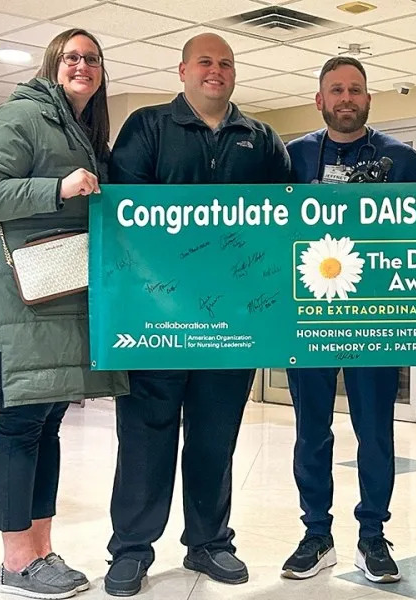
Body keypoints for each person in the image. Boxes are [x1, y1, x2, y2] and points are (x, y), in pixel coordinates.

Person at [102, 33, 290, 597]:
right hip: (156, 320)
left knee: (215, 436)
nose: (216, 71)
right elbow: (125, 217)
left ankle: (210, 543)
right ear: (183, 70)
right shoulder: (147, 126)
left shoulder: (261, 139)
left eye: (226, 63)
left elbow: (282, 221)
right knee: (145, 436)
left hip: (233, 323)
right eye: (205, 62)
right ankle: (131, 550)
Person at [0, 28, 128, 599]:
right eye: (72, 57)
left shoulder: (80, 129)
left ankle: (41, 550)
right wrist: (56, 188)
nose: (82, 65)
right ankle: (13, 562)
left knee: (47, 426)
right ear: (54, 64)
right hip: (19, 302)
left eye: (92, 59)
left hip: (58, 300)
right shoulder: (18, 117)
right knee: (21, 427)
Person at [279, 56, 416, 584]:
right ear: (320, 100)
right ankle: (315, 534)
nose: (346, 98)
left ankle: (373, 537)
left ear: (369, 99)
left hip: (377, 321)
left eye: (355, 90)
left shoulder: (402, 161)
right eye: (336, 90)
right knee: (310, 431)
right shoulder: (290, 158)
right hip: (308, 319)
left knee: (376, 432)